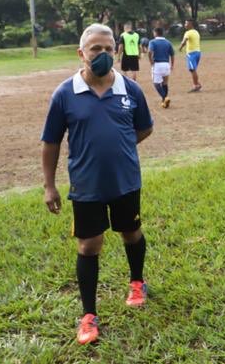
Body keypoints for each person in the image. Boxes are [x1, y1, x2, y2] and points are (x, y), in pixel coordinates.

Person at [41, 23, 154, 345]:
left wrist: (121, 144)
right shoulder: (65, 94)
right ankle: (89, 314)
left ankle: (137, 282)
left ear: (116, 51)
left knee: (131, 232)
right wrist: (49, 186)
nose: (103, 54)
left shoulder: (130, 90)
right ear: (81, 53)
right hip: (86, 185)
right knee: (89, 245)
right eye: (96, 49)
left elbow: (145, 128)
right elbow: (50, 142)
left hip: (125, 181)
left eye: (108, 49)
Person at [148, 27, 175, 109]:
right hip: (166, 64)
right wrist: (172, 65)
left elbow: (149, 52)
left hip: (157, 64)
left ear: (155, 33)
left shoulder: (152, 42)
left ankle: (164, 97)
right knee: (165, 83)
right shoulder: (168, 42)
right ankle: (164, 101)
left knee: (156, 83)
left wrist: (151, 61)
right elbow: (172, 54)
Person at [179, 19, 202, 92]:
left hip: (191, 54)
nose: (185, 25)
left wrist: (180, 47)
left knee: (192, 70)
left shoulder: (188, 33)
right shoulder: (196, 32)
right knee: (193, 70)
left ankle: (196, 85)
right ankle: (198, 83)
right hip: (198, 52)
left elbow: (184, 41)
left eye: (186, 23)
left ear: (190, 24)